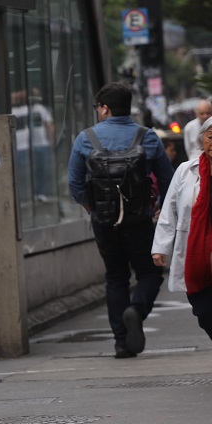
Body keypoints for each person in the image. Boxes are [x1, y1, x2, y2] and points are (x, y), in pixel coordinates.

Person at [68, 83, 174, 358]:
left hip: (104, 221)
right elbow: (167, 180)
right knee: (150, 274)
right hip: (139, 220)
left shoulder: (85, 138)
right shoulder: (147, 137)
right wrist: (160, 208)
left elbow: (75, 183)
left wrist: (91, 207)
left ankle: (121, 343)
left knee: (115, 277)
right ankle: (136, 310)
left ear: (104, 108)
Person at [153, 117, 212, 341]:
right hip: (196, 252)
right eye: (210, 136)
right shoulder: (186, 170)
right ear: (202, 140)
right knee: (204, 312)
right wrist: (161, 247)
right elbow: (170, 210)